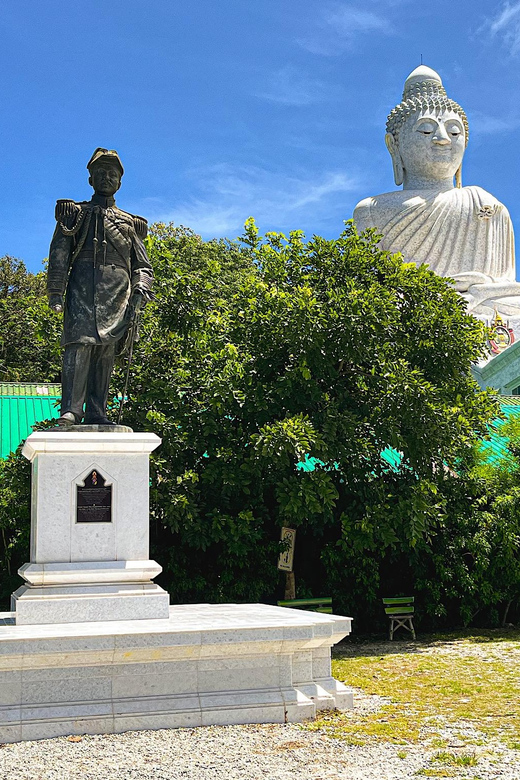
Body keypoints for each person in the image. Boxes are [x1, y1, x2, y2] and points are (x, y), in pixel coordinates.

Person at [353, 65, 520, 324]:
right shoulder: (371, 212)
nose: (443, 139)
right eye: (426, 131)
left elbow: (506, 289)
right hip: (409, 322)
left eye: (455, 132)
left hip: (488, 321)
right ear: (394, 144)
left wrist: (475, 299)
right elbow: (370, 293)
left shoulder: (489, 206)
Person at [47, 148, 153, 425]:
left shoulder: (130, 223)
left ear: (120, 181)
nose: (107, 178)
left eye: (112, 174)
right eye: (100, 173)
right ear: (90, 179)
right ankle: (71, 410)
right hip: (83, 287)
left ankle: (97, 410)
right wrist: (56, 292)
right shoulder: (76, 214)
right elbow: (60, 253)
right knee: (79, 346)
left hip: (117, 293)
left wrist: (141, 288)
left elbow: (142, 264)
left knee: (106, 351)